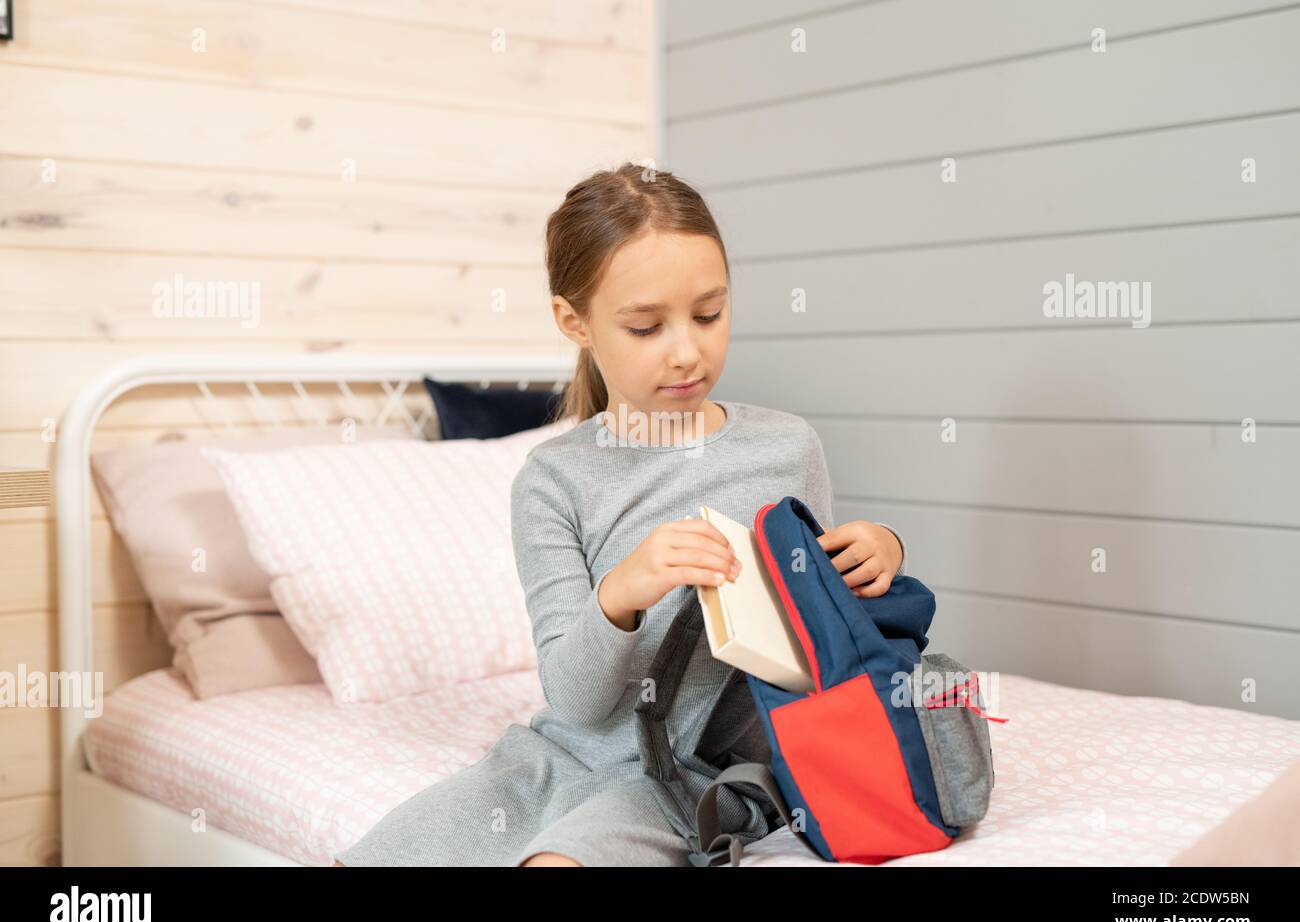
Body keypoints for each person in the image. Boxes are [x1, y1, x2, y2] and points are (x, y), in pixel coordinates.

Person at [333, 162, 907, 867]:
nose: (688, 351)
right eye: (645, 327)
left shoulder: (787, 448)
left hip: (695, 772)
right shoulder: (552, 481)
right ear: (574, 322)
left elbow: (819, 648)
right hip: (560, 756)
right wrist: (622, 593)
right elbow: (575, 703)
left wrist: (880, 554)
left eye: (709, 314)